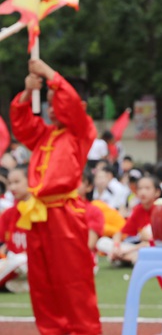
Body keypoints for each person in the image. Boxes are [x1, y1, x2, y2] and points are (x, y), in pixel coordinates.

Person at [10, 59, 101, 334]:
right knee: (42, 284)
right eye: (48, 101)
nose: (51, 107)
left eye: (54, 99)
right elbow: (22, 124)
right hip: (39, 216)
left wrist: (48, 72)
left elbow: (71, 103)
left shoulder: (80, 131)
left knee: (73, 282)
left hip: (65, 215)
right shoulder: (45, 135)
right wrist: (27, 92)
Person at [97, 174, 161, 265]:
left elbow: (153, 242)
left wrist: (126, 252)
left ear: (157, 192)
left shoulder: (161, 210)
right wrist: (116, 247)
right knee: (102, 242)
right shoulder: (138, 209)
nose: (143, 192)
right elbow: (119, 233)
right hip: (138, 248)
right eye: (140, 188)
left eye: (147, 188)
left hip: (154, 249)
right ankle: (126, 258)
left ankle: (124, 258)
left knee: (147, 245)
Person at [0, 167, 30, 293]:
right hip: (12, 265)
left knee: (21, 261)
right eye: (10, 183)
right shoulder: (9, 214)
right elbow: (3, 245)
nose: (12, 187)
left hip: (35, 264)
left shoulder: (43, 212)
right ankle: (11, 286)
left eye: (17, 182)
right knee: (17, 261)